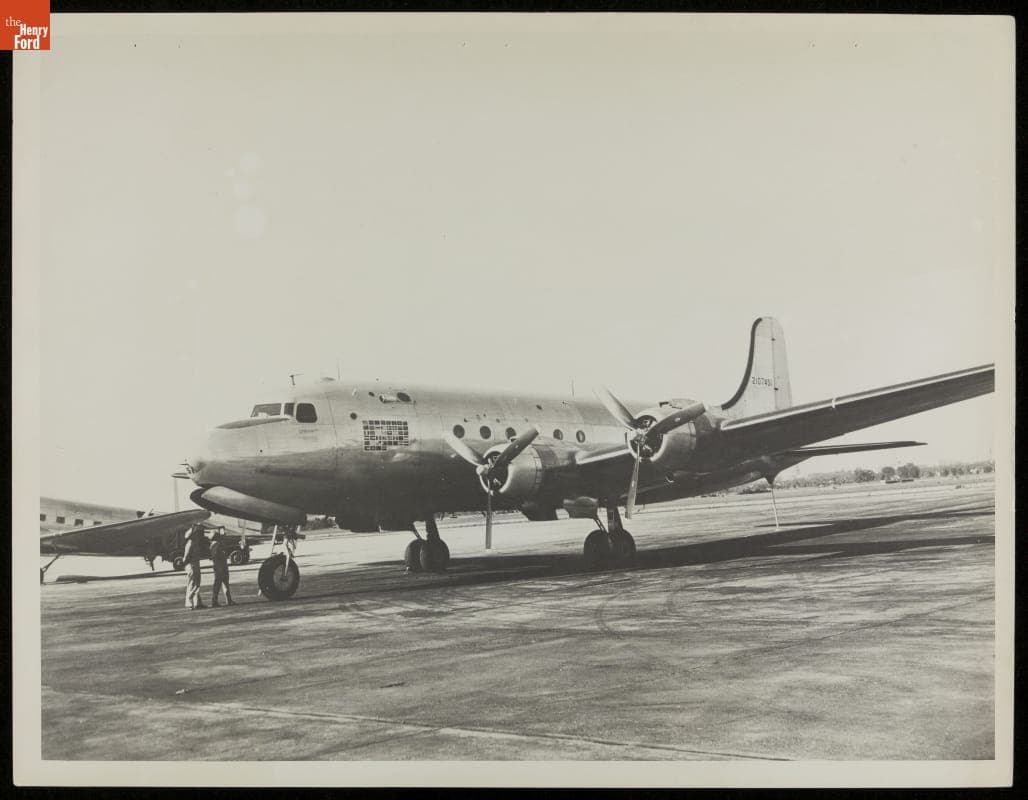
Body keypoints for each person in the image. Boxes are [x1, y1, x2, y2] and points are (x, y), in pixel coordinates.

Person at [182, 524, 206, 610]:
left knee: (196, 584)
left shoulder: (195, 543)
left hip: (195, 564)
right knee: (192, 584)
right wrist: (187, 565)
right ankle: (188, 602)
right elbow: (186, 557)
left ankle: (198, 603)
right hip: (191, 565)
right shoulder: (190, 543)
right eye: (196, 533)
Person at [209, 527, 235, 607]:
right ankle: (221, 600)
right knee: (222, 584)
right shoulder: (217, 545)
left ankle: (225, 600)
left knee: (220, 584)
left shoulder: (212, 545)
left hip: (217, 566)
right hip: (221, 566)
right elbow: (220, 555)